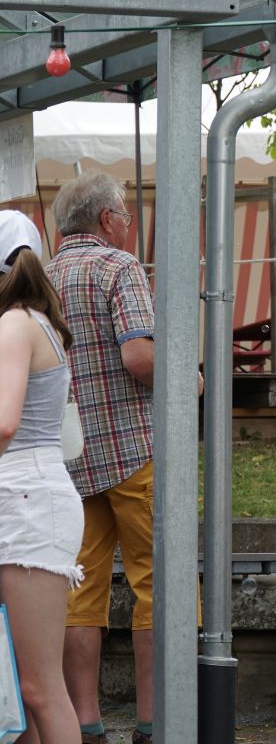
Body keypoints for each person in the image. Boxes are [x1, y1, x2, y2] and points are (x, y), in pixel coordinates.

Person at [46, 172, 157, 744]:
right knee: (157, 584)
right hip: (133, 448)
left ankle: (85, 726)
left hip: (69, 455)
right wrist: (188, 377)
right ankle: (153, 723)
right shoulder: (120, 268)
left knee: (81, 591)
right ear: (108, 219)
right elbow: (140, 357)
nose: (129, 227)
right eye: (127, 217)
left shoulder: (40, 275)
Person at [0, 211, 83, 743]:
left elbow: (4, 422)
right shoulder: (39, 322)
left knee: (37, 687)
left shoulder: (13, 324)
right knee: (20, 687)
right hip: (31, 494)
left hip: (25, 498)